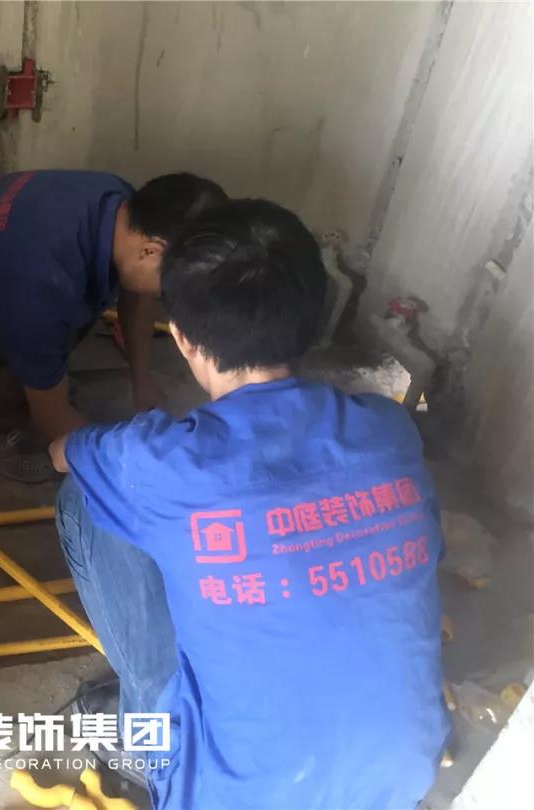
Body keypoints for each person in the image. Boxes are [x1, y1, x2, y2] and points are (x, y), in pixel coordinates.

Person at [50, 199, 449, 809]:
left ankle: (143, 720)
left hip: (229, 796)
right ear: (313, 322)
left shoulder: (159, 460)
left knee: (86, 496)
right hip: (402, 775)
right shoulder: (388, 430)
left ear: (181, 339)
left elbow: (64, 454)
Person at [0, 170, 226, 482]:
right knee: (51, 328)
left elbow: (138, 293)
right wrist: (136, 475)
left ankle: (36, 373)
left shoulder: (118, 203)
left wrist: (142, 379)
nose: (170, 295)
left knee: (69, 308)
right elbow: (51, 417)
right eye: (172, 285)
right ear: (151, 251)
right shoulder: (44, 280)